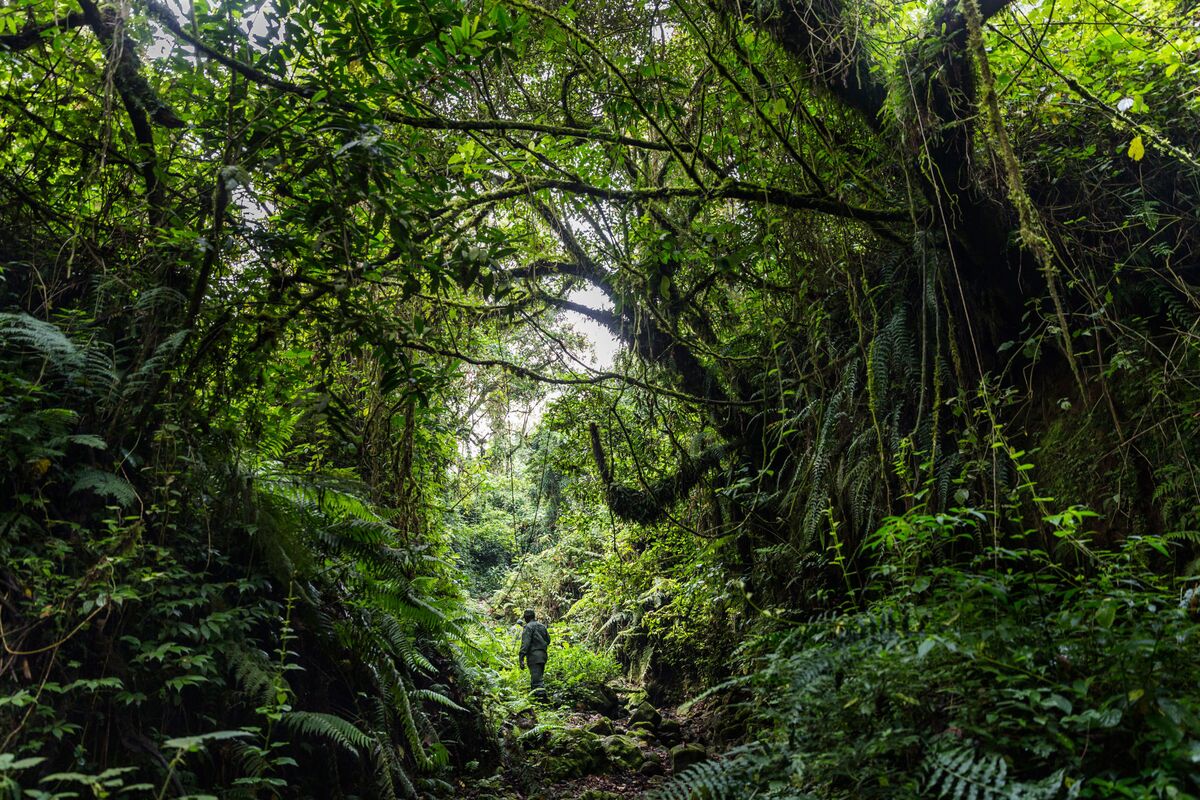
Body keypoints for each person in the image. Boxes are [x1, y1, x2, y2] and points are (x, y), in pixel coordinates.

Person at [518, 608, 550, 694]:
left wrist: (521, 657)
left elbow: (525, 644)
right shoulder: (542, 626)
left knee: (537, 682)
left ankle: (541, 699)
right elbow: (548, 640)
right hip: (543, 656)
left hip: (534, 656)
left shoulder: (528, 627)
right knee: (536, 677)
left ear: (526, 618)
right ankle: (535, 700)